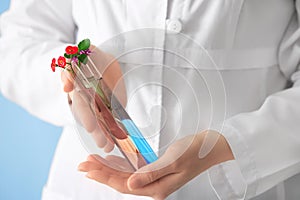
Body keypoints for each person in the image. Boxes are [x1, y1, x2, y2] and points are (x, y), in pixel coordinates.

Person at [1, 0, 300, 199]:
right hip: (89, 186)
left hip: (245, 179)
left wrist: (227, 146)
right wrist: (76, 74)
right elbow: (17, 42)